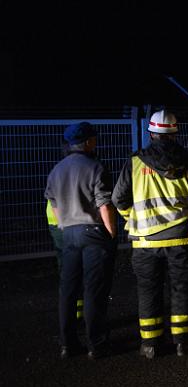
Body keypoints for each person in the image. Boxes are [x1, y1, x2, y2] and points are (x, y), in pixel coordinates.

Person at [112, 110, 188, 359]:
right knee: (181, 288)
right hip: (182, 238)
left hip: (145, 240)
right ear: (175, 132)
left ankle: (151, 344)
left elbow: (118, 199)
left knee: (148, 290)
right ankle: (183, 341)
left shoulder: (136, 162)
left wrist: (131, 218)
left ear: (151, 133)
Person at [44, 122, 117, 359]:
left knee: (68, 291)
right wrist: (111, 233)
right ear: (87, 142)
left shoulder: (56, 170)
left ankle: (68, 345)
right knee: (93, 290)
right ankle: (97, 344)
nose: (95, 141)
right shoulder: (96, 167)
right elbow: (104, 204)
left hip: (68, 234)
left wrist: (65, 225)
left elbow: (54, 206)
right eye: (93, 139)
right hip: (93, 233)